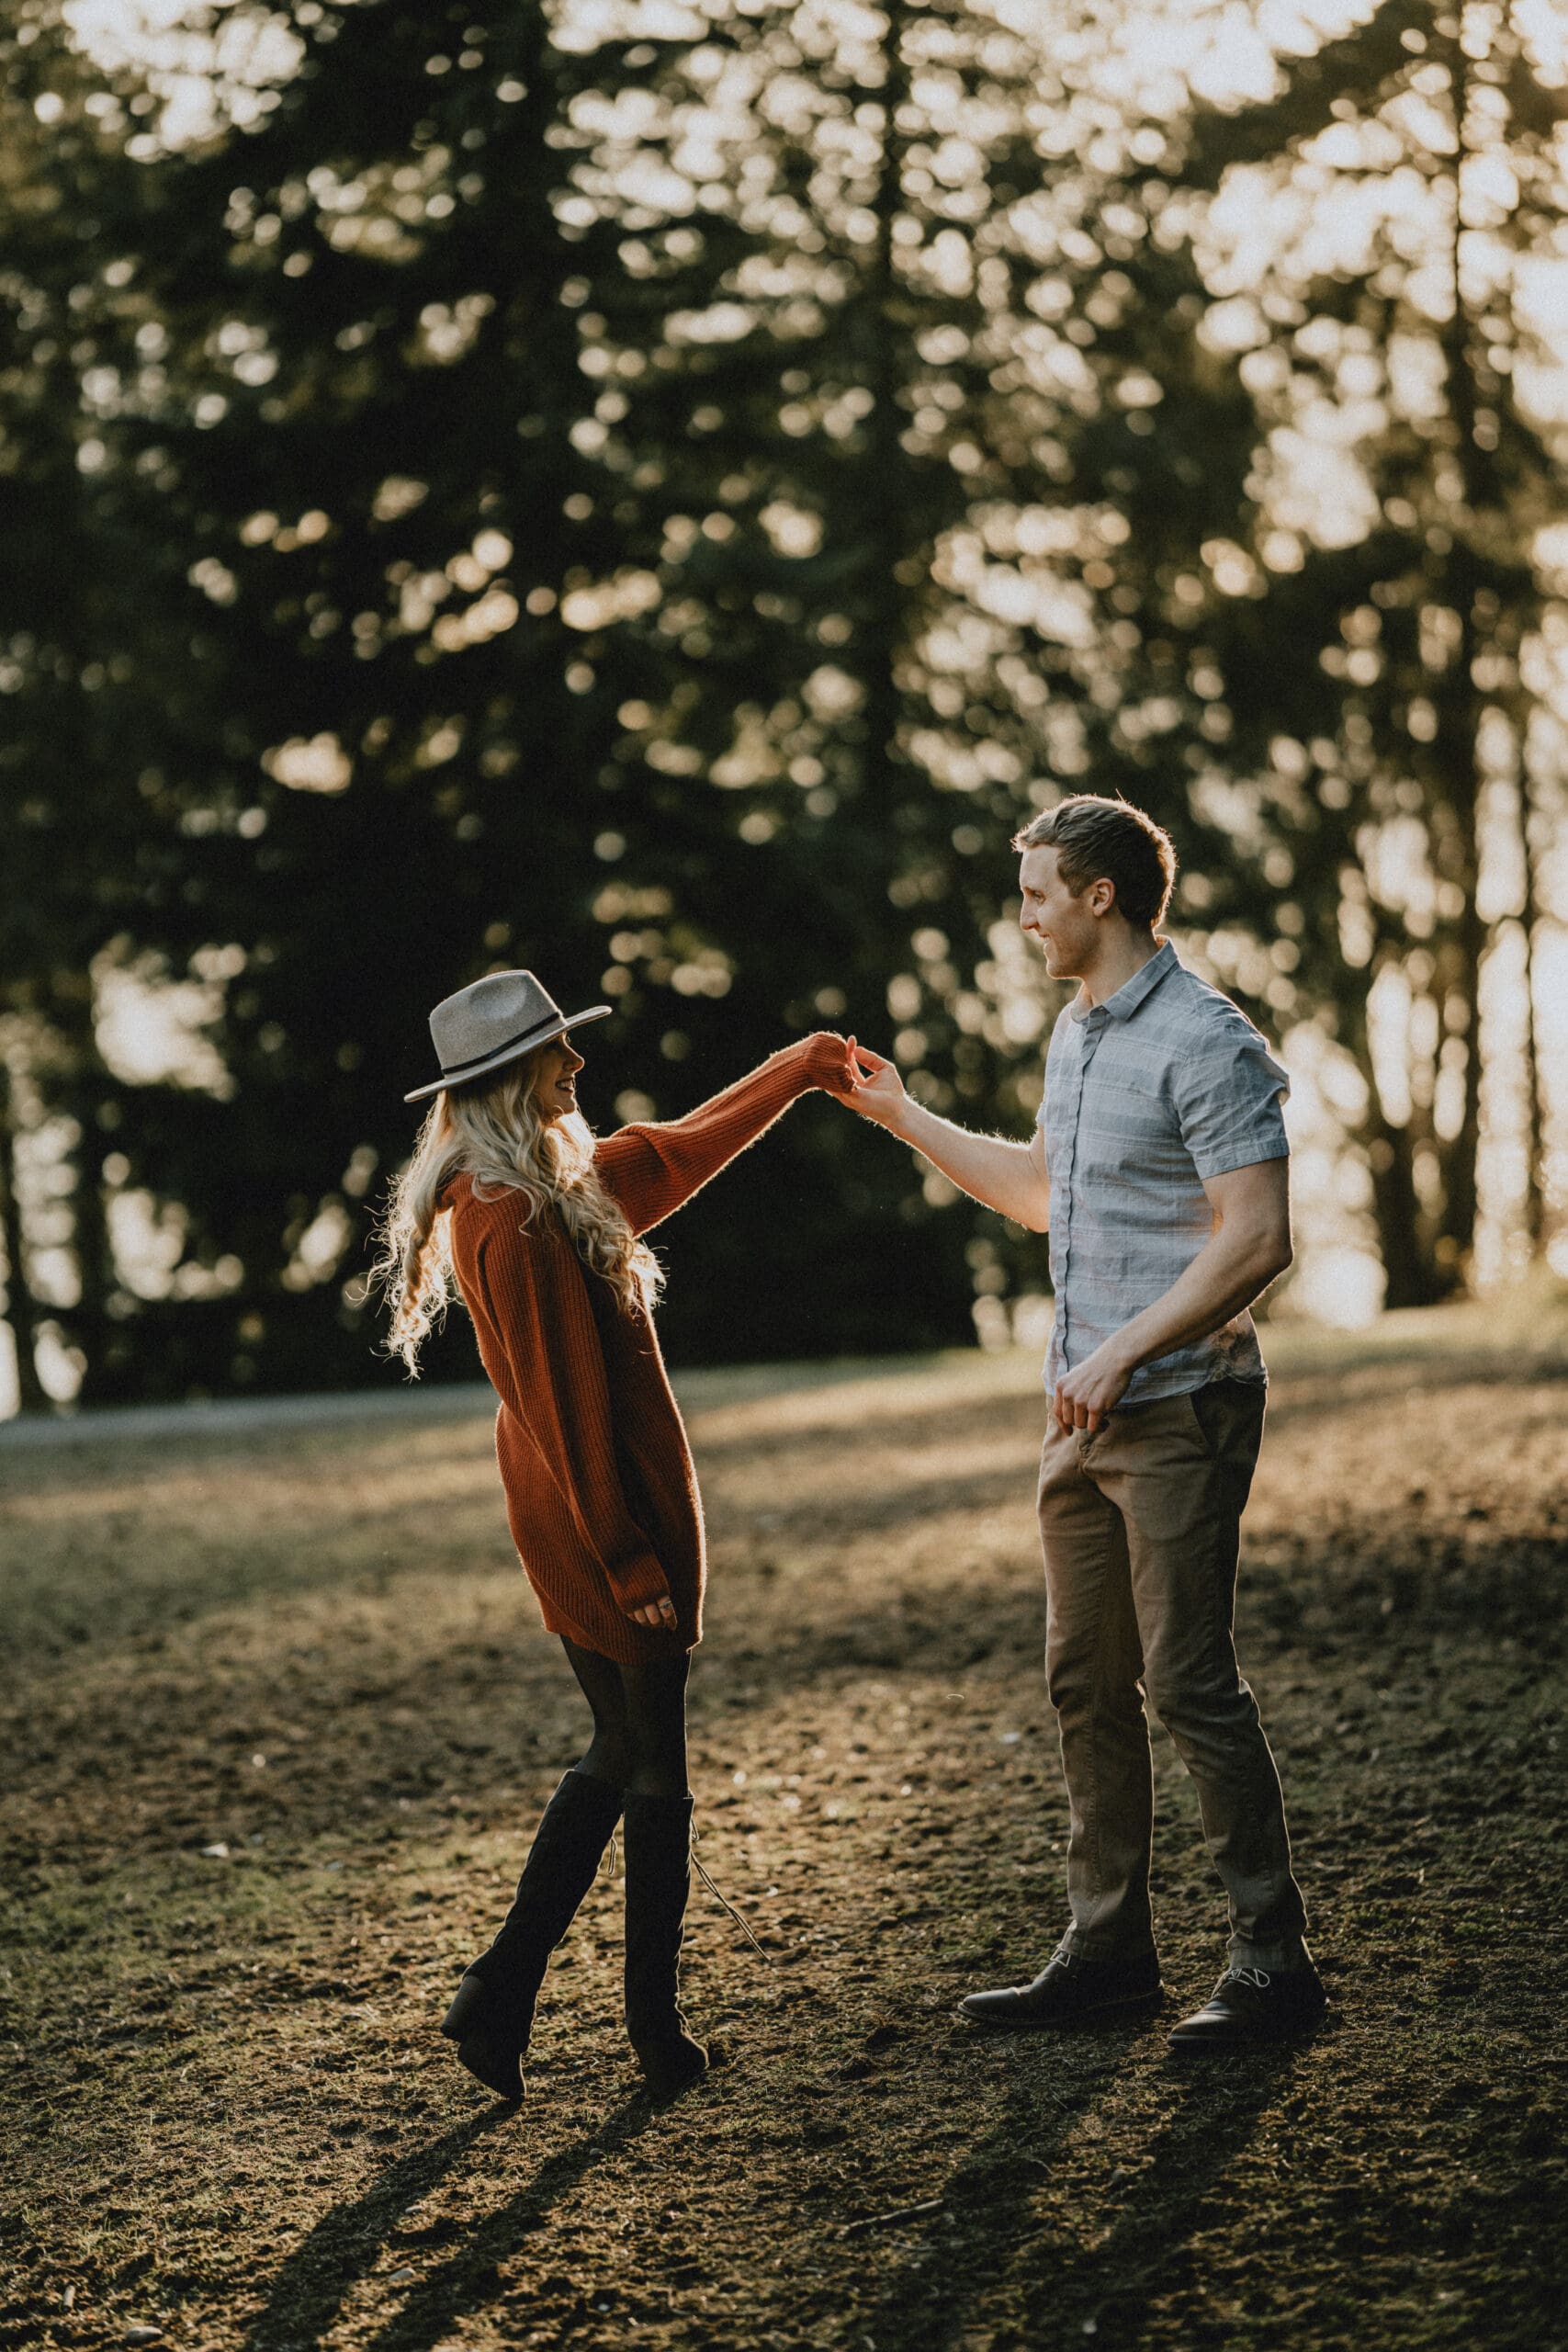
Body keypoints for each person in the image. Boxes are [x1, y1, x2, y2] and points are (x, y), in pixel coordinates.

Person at [845, 795, 1325, 2049]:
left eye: (1037, 894)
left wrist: (1120, 1351)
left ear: (1099, 897)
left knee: (1188, 1682)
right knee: (1083, 1684)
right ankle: (1108, 1952)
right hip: (1079, 1413)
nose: (1024, 918)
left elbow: (1257, 1240)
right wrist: (904, 1115)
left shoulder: (1208, 1042)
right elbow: (1041, 1193)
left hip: (1178, 1407)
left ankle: (1272, 1961)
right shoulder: (1077, 1034)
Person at [376, 967, 854, 2101]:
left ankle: (500, 1995)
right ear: (509, 1076)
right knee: (653, 1756)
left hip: (580, 1499)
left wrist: (799, 1069)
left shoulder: (553, 1184)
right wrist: (628, 1553)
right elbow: (564, 1401)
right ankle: (648, 2025)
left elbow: (678, 1150)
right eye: (559, 1049)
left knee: (618, 1744)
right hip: (604, 1504)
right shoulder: (513, 1218)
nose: (578, 1063)